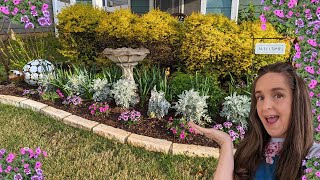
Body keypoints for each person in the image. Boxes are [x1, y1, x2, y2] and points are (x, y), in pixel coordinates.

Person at [189, 62, 320, 180]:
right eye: (260, 97)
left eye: (278, 95)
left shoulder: (314, 158)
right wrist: (225, 143)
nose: (265, 106)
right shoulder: (250, 151)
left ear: (297, 102)